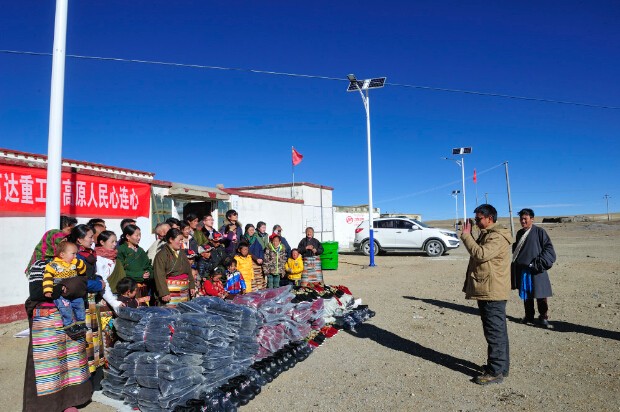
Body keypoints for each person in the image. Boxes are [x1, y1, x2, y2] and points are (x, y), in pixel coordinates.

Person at [23, 257, 93, 412]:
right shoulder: (40, 265)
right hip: (48, 319)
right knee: (50, 363)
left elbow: (82, 285)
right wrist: (62, 288)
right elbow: (36, 292)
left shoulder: (73, 263)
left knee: (72, 361)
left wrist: (65, 287)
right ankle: (49, 405)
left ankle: (71, 401)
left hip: (70, 317)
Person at [461, 204, 513, 385]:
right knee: (497, 331)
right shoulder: (488, 234)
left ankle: (495, 372)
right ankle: (501, 367)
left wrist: (466, 236)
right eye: (475, 219)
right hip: (490, 289)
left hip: (492, 291)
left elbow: (481, 254)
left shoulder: (497, 236)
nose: (476, 222)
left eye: (479, 219)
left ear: (490, 218)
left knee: (494, 333)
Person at [511, 208, 556, 328]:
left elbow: (548, 249)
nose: (523, 221)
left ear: (532, 219)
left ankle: (543, 317)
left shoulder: (540, 232)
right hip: (524, 269)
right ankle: (529, 316)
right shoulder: (520, 233)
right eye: (521, 219)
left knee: (541, 294)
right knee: (527, 294)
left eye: (525, 219)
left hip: (537, 268)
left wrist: (537, 263)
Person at [42, 241, 88, 337]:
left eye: (76, 254)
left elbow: (83, 271)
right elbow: (47, 278)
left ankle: (81, 323)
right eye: (73, 254)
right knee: (65, 307)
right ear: (62, 254)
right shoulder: (53, 265)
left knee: (80, 304)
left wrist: (78, 262)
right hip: (61, 293)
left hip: (74, 292)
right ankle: (69, 326)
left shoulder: (74, 264)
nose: (75, 256)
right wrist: (48, 290)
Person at [153, 228, 195, 306]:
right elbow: (159, 275)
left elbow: (188, 270)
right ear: (171, 239)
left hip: (184, 291)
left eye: (182, 240)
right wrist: (164, 293)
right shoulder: (161, 255)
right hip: (170, 292)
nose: (181, 242)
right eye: (179, 240)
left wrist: (192, 285)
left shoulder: (182, 253)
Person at [117, 224, 152, 306]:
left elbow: (148, 265)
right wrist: (139, 275)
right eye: (136, 235)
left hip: (143, 288)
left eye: (140, 235)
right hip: (129, 289)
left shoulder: (141, 250)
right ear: (128, 236)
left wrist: (148, 272)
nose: (139, 238)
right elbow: (121, 271)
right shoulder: (121, 250)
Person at [94, 230, 124, 312]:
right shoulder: (98, 259)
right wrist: (113, 301)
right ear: (102, 242)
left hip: (118, 295)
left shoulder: (115, 257)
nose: (115, 244)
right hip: (105, 297)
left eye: (116, 241)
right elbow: (103, 282)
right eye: (112, 242)